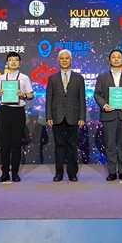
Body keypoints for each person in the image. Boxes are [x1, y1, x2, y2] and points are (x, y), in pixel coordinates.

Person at [94, 49, 122, 181]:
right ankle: (112, 172)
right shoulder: (102, 77)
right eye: (113, 57)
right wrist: (104, 105)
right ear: (109, 60)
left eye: (119, 57)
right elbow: (97, 94)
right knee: (110, 145)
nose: (116, 59)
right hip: (109, 115)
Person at [0, 52, 34, 182]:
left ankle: (15, 172)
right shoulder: (1, 78)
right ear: (7, 62)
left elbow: (31, 95)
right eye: (10, 60)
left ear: (20, 63)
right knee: (5, 144)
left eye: (16, 60)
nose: (13, 62)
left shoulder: (24, 78)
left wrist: (24, 95)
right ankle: (5, 172)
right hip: (4, 111)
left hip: (18, 111)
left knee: (16, 143)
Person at [45, 49, 86, 182]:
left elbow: (82, 99)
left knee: (72, 146)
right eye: (62, 58)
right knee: (59, 146)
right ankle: (59, 173)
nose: (64, 60)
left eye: (66, 58)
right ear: (58, 61)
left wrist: (82, 117)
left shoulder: (79, 78)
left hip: (74, 116)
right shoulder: (52, 78)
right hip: (57, 116)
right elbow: (49, 99)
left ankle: (72, 173)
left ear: (71, 60)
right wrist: (49, 116)